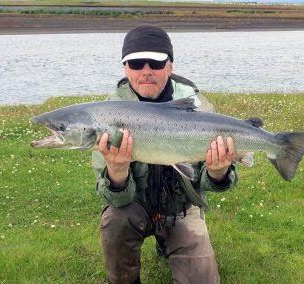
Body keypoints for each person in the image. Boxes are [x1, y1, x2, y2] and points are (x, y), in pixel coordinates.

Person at [92, 25, 238, 284]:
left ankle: (168, 240)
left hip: (182, 211)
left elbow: (214, 185)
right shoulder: (106, 118)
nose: (146, 71)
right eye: (136, 63)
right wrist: (116, 173)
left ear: (170, 66)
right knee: (115, 219)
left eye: (156, 63)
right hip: (133, 208)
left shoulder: (199, 108)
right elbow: (109, 196)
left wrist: (218, 172)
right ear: (126, 69)